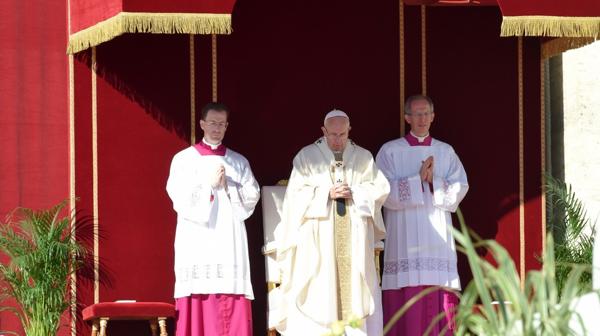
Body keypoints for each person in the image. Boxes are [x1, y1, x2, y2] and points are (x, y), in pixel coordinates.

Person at [274, 109, 390, 336]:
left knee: (354, 290)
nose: (338, 140)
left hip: (354, 238)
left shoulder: (363, 157)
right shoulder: (307, 157)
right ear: (323, 131)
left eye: (342, 134)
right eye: (333, 135)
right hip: (319, 240)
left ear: (349, 131)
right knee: (320, 285)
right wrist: (325, 193)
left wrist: (354, 192)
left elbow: (380, 189)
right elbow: (295, 197)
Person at [375, 95, 469, 336]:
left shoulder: (445, 151)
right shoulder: (390, 151)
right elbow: (381, 191)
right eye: (417, 114)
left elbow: (461, 186)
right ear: (407, 117)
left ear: (433, 117)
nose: (422, 118)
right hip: (403, 234)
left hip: (437, 233)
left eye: (426, 113)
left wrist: (434, 181)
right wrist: (417, 180)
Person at [166, 102, 260, 336]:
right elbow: (178, 198)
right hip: (198, 239)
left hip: (229, 239)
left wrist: (229, 187)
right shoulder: (183, 160)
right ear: (202, 124)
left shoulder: (239, 162)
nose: (217, 128)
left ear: (227, 126)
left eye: (221, 124)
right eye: (212, 123)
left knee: (231, 289)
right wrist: (207, 185)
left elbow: (252, 198)